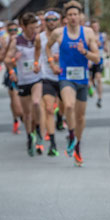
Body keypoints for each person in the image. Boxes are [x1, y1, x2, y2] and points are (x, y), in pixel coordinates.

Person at [45, 1, 100, 166]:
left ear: (80, 16)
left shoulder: (88, 33)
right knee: (68, 106)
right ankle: (70, 134)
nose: (73, 17)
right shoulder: (58, 33)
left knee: (80, 116)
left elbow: (97, 58)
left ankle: (77, 145)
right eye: (70, 15)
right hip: (66, 78)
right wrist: (52, 64)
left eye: (76, 14)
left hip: (82, 79)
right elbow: (47, 48)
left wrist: (85, 52)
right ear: (65, 18)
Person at [6, 12, 43, 157]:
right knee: (27, 115)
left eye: (36, 27)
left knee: (36, 102)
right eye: (31, 28)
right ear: (23, 27)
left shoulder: (37, 38)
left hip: (36, 78)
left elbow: (39, 52)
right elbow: (7, 60)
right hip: (22, 80)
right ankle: (29, 137)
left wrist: (36, 63)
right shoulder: (16, 41)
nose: (34, 30)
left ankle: (39, 129)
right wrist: (12, 66)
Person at [39, 10, 62, 157]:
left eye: (54, 19)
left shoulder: (63, 36)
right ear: (45, 21)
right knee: (48, 109)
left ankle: (60, 118)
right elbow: (36, 54)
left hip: (63, 76)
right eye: (49, 19)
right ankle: (52, 143)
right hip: (46, 75)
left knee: (66, 107)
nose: (51, 22)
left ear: (58, 21)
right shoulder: (39, 38)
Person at [0, 21, 23, 134]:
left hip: (23, 73)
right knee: (14, 101)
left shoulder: (22, 39)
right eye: (10, 30)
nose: (13, 32)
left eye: (15, 30)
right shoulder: (5, 41)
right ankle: (16, 120)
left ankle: (26, 119)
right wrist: (6, 46)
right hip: (11, 74)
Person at [89, 18, 107, 108]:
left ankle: (100, 98)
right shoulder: (88, 36)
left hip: (99, 60)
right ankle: (91, 88)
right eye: (93, 26)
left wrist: (102, 45)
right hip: (90, 61)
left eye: (96, 26)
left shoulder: (102, 36)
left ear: (99, 27)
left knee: (99, 78)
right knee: (90, 80)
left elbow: (106, 48)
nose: (95, 28)